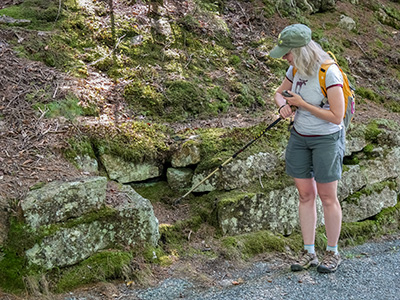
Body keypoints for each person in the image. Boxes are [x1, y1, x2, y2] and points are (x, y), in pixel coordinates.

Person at [270, 24, 345, 273]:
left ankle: (332, 252)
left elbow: (336, 116)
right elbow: (279, 93)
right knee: (305, 195)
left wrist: (302, 104)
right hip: (300, 137)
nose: (284, 58)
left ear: (300, 50)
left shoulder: (328, 72)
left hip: (326, 139)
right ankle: (308, 251)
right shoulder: (295, 68)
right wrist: (283, 105)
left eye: (287, 53)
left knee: (327, 196)